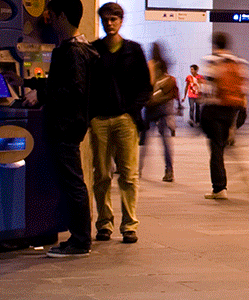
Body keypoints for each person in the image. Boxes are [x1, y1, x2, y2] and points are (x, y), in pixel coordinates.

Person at [21, 0, 96, 257]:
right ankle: (78, 238)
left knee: (73, 183)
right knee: (71, 182)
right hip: (71, 124)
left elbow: (74, 89)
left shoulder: (71, 51)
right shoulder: (80, 49)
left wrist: (40, 95)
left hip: (65, 126)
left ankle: (80, 241)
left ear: (62, 15)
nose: (48, 20)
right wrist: (26, 82)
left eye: (51, 14)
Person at [83, 3, 150, 244]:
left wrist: (133, 111)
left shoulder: (134, 50)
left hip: (125, 120)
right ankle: (104, 223)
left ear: (121, 21)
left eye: (113, 19)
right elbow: (86, 85)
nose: (109, 23)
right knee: (101, 174)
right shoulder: (92, 51)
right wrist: (90, 115)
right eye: (105, 19)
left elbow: (145, 85)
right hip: (99, 119)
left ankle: (129, 224)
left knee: (128, 175)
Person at [199, 32, 249, 199]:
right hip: (233, 110)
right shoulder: (239, 63)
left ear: (214, 44)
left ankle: (219, 188)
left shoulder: (213, 61)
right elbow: (245, 91)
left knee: (216, 149)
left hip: (215, 110)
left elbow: (207, 89)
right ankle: (237, 174)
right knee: (222, 146)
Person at [143, 41, 179, 182]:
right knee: (165, 140)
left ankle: (137, 169)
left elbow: (151, 82)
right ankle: (169, 170)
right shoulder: (165, 63)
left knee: (144, 139)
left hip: (152, 106)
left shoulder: (151, 63)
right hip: (165, 107)